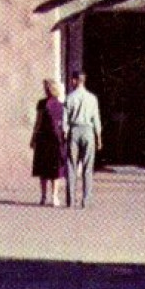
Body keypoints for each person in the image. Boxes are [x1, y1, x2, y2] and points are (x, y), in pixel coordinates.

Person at [63, 71, 102, 208]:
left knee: (71, 165)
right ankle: (86, 200)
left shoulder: (69, 97)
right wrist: (99, 137)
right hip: (88, 131)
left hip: (74, 130)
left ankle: (71, 200)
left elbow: (65, 120)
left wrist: (65, 133)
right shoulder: (92, 98)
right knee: (87, 167)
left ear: (75, 80)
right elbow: (96, 118)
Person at [29, 79, 66, 206]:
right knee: (55, 169)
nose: (44, 90)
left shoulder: (42, 104)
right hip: (56, 139)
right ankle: (54, 197)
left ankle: (44, 196)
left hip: (44, 138)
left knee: (44, 169)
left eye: (46, 87)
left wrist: (33, 138)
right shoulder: (61, 105)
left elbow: (38, 122)